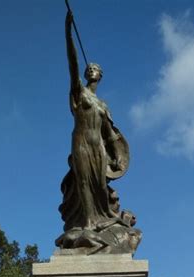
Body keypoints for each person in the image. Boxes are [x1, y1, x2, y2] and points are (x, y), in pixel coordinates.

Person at [56, 9, 141, 253]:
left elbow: (111, 133)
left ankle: (102, 222)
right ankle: (88, 224)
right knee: (83, 183)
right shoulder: (78, 93)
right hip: (81, 143)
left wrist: (115, 155)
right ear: (85, 74)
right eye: (89, 68)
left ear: (100, 76)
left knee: (100, 188)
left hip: (99, 147)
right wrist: (68, 32)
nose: (91, 69)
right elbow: (72, 62)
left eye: (96, 69)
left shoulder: (103, 105)